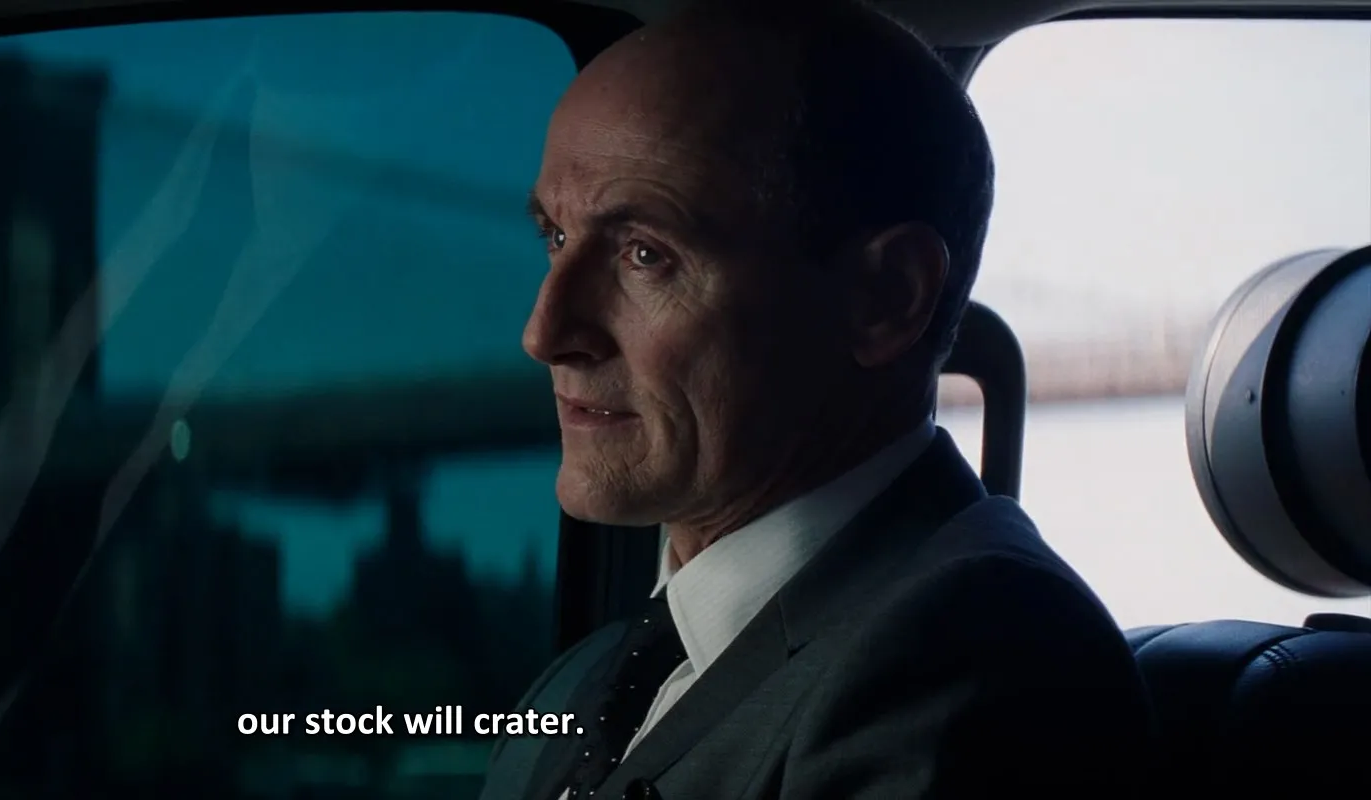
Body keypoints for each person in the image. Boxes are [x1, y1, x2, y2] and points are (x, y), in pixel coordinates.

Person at [478, 2, 1154, 798]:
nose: (545, 333)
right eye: (556, 238)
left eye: (646, 254)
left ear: (886, 297)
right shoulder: (583, 681)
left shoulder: (978, 654)